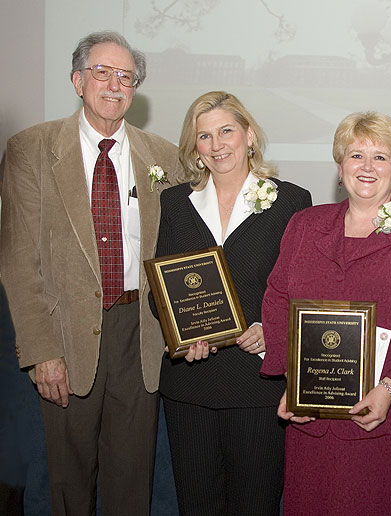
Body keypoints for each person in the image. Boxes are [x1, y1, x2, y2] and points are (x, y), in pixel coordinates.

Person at [0, 31, 182, 515]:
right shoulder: (31, 149)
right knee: (68, 481)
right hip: (65, 335)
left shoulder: (164, 157)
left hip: (140, 333)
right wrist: (41, 351)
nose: (114, 84)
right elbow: (19, 262)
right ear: (78, 80)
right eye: (102, 72)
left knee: (131, 482)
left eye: (126, 76)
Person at [260, 111, 391, 516]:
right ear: (340, 167)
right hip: (315, 421)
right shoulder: (304, 225)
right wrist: (295, 378)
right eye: (356, 155)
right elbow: (277, 298)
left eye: (380, 157)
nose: (367, 167)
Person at [155, 90, 312, 516]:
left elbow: (303, 289)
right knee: (197, 505)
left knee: (255, 505)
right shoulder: (173, 203)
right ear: (195, 149)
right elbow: (161, 290)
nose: (217, 144)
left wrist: (271, 328)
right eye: (204, 136)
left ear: (249, 136)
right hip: (191, 381)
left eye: (226, 131)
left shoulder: (292, 202)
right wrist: (183, 334)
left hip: (258, 383)